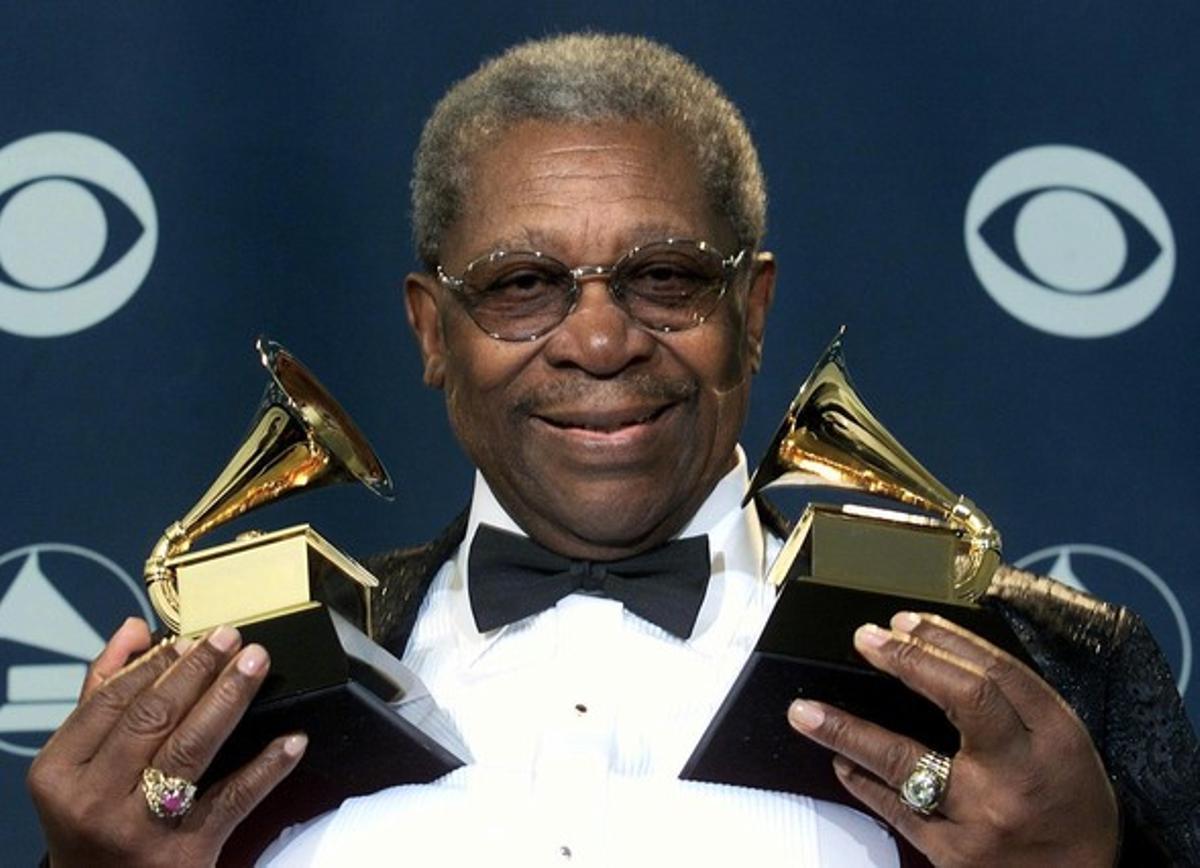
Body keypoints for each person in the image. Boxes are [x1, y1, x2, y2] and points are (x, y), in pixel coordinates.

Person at [26, 33, 1198, 867]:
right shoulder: (230, 691)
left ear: (754, 308)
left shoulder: (1046, 666)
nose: (597, 337)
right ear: (434, 332)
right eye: (524, 284)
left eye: (667, 276)